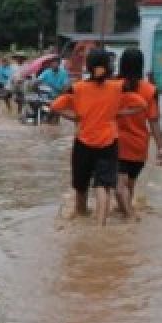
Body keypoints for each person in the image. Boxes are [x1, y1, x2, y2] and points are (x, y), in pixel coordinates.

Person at [50, 49, 146, 226]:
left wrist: (76, 117)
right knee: (103, 186)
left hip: (83, 142)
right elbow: (141, 104)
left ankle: (81, 213)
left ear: (88, 67)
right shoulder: (117, 87)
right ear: (109, 67)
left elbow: (55, 106)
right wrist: (118, 113)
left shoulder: (77, 88)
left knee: (81, 184)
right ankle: (100, 226)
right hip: (108, 143)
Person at [114, 47, 162, 221]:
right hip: (139, 144)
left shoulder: (113, 87)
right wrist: (160, 148)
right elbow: (154, 121)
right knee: (129, 186)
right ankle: (126, 217)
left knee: (120, 186)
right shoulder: (150, 90)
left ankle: (128, 217)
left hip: (115, 142)